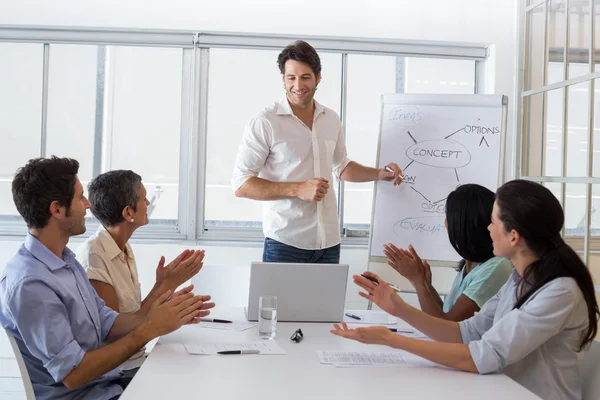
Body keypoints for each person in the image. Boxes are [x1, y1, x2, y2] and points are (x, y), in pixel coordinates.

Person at [331, 179, 599, 400]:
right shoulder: (519, 280)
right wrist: (398, 308)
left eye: (493, 222)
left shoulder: (559, 291)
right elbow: (466, 332)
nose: (488, 229)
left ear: (513, 236)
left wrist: (392, 340)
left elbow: (484, 355)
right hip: (498, 390)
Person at [0, 157, 215, 400]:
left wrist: (168, 313)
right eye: (80, 197)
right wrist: (149, 329)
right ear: (57, 210)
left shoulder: (65, 260)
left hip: (108, 386)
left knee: (199, 382)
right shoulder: (30, 283)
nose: (88, 205)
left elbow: (107, 323)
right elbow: (74, 374)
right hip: (90, 395)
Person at [232, 40, 402, 264]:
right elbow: (242, 184)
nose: (298, 85)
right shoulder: (265, 122)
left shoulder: (330, 119)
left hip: (329, 243)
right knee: (283, 302)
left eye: (305, 77)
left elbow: (341, 167)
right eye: (291, 77)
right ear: (283, 78)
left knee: (327, 302)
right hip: (285, 243)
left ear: (318, 77)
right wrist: (298, 189)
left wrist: (380, 174)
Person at [75, 170, 204, 369]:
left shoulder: (122, 247)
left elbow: (134, 317)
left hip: (136, 361)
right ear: (128, 213)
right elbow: (115, 333)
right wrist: (167, 286)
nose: (148, 204)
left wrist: (162, 286)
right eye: (144, 199)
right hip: (118, 373)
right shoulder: (95, 257)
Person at [383, 184, 513, 321]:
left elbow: (445, 326)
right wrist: (426, 286)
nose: (445, 223)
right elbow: (445, 312)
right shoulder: (469, 265)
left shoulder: (497, 266)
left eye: (447, 216)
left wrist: (418, 281)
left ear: (460, 224)